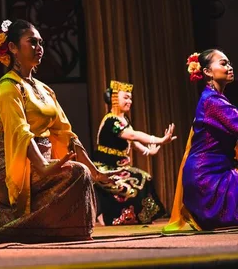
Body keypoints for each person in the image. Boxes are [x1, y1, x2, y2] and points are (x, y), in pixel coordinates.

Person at [0, 19, 115, 245]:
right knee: (77, 173)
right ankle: (30, 229)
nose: (39, 47)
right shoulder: (8, 87)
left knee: (83, 173)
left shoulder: (44, 89)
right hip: (10, 162)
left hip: (39, 159)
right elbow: (20, 132)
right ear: (12, 47)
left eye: (41, 42)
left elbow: (66, 133)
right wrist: (43, 165)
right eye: (32, 42)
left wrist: (96, 172)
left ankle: (55, 231)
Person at [164, 50, 238, 232]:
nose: (229, 67)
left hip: (216, 175)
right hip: (208, 181)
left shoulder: (215, 99)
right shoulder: (212, 101)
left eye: (229, 63)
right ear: (207, 72)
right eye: (223, 63)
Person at [92, 80, 175, 226]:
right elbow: (132, 136)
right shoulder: (112, 121)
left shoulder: (123, 119)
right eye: (126, 97)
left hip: (119, 168)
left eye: (130, 98)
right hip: (105, 169)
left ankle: (144, 217)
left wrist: (148, 151)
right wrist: (160, 140)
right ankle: (106, 215)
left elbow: (133, 142)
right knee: (131, 187)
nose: (129, 101)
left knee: (145, 178)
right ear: (115, 99)